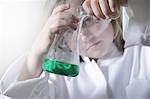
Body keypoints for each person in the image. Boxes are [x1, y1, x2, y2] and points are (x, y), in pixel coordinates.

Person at [0, 0, 150, 99]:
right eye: (69, 29)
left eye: (89, 19)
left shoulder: (143, 54)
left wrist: (129, 4)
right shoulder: (57, 80)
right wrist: (37, 51)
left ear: (109, 14)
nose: (84, 35)